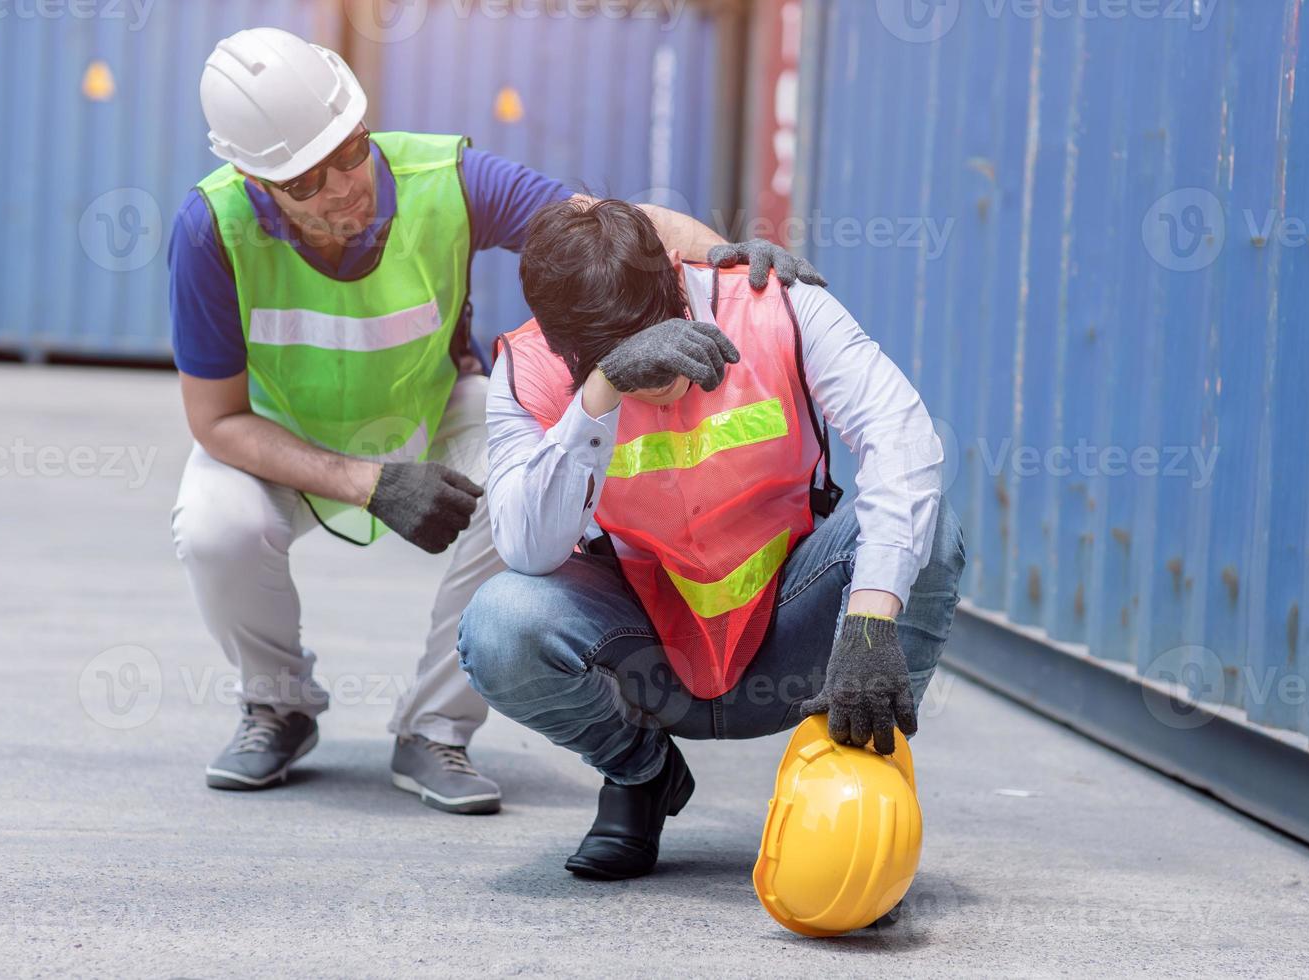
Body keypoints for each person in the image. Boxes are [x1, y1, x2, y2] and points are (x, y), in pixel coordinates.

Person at [166, 27, 818, 814]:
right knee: (215, 525)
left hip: (432, 408)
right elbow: (217, 421)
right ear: (253, 177)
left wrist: (726, 262)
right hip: (284, 436)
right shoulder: (211, 231)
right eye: (308, 180)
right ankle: (278, 704)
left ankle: (434, 727)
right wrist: (366, 483)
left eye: (351, 150)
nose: (344, 185)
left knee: (523, 482)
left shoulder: (446, 178)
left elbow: (605, 223)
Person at [457, 197, 966, 879]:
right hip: (650, 657)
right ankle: (641, 776)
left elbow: (901, 434)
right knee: (501, 623)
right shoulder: (532, 371)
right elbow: (528, 549)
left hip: (791, 637)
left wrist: (871, 620)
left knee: (930, 533)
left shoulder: (773, 305)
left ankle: (857, 788)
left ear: (676, 281)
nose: (655, 370)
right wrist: (600, 393)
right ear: (563, 347)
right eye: (609, 353)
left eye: (653, 325)